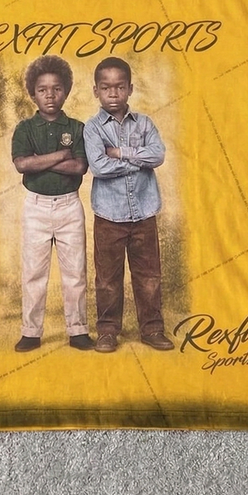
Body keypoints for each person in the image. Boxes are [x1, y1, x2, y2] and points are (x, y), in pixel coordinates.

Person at [83, 57, 174, 353]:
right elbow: (98, 166)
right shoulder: (92, 128)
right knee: (108, 280)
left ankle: (152, 329)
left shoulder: (145, 123)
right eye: (106, 87)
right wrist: (138, 160)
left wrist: (120, 152)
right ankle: (108, 331)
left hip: (144, 214)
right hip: (108, 217)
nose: (113, 93)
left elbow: (158, 155)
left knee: (149, 277)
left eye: (120, 87)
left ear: (130, 89)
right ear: (96, 90)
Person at [11, 56, 94, 352]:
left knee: (75, 272)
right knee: (34, 272)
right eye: (42, 89)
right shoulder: (24, 129)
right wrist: (61, 155)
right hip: (36, 208)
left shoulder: (77, 127)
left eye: (56, 89)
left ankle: (78, 331)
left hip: (70, 207)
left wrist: (40, 161)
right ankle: (31, 332)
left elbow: (80, 167)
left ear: (66, 91)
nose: (50, 95)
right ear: (32, 94)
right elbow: (22, 165)